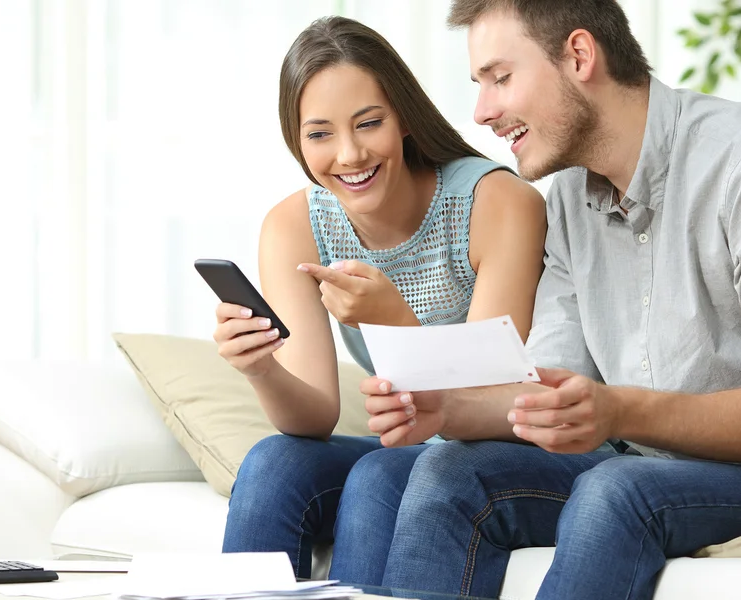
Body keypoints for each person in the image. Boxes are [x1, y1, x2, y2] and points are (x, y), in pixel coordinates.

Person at [350, 1, 741, 599]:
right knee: (435, 471)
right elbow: (550, 385)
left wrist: (618, 411)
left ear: (579, 56)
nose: (483, 111)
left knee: (617, 490)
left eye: (501, 78)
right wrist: (445, 410)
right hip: (657, 467)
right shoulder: (570, 200)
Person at [216, 15, 547, 582]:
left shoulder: (496, 203)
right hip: (417, 445)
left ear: (404, 119)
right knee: (273, 462)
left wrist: (391, 318)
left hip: (500, 446)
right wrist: (261, 368)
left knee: (381, 474)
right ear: (296, 140)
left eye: (368, 124)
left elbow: (490, 396)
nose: (349, 155)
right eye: (320, 134)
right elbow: (315, 415)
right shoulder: (295, 226)